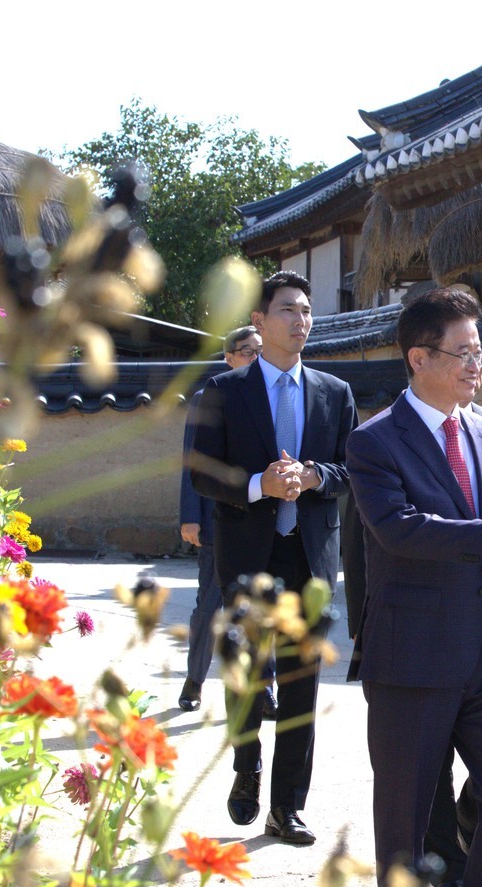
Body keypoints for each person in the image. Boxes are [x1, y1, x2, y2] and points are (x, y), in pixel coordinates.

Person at [346, 287, 482, 887]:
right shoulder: (374, 443)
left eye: (480, 350)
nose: (475, 364)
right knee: (403, 821)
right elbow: (398, 529)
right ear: (418, 357)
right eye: (461, 352)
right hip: (412, 657)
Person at [189, 270, 358, 846]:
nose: (301, 320)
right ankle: (246, 767)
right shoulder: (225, 392)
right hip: (246, 558)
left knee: (301, 687)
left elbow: (353, 469)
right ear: (260, 322)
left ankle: (286, 807)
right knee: (243, 676)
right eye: (288, 309)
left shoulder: (335, 393)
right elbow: (204, 472)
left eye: (307, 310)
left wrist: (314, 475)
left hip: (309, 560)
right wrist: (260, 484)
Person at [177, 325, 276, 716]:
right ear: (229, 357)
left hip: (263, 518)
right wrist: (189, 517)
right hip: (218, 517)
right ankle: (195, 679)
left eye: (260, 351)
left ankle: (263, 686)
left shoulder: (275, 394)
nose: (255, 357)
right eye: (248, 351)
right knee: (210, 605)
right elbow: (193, 462)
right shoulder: (210, 396)